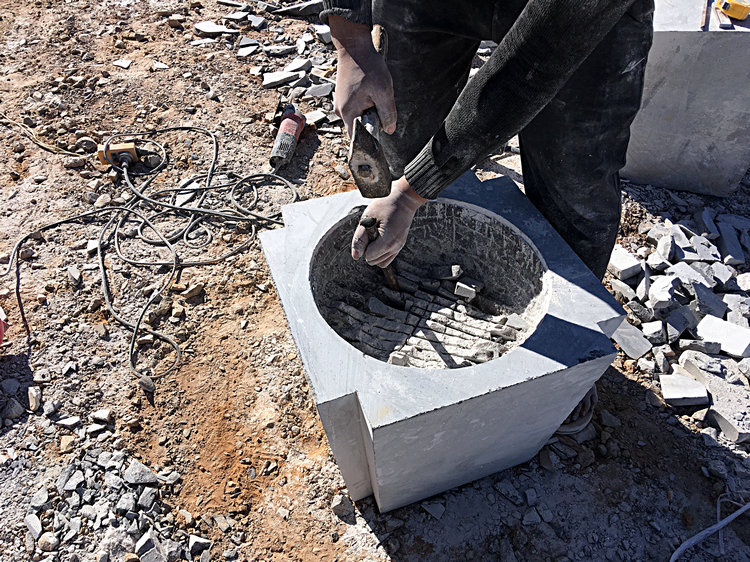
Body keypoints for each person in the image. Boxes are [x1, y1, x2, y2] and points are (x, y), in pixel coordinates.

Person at [322, 0, 654, 432]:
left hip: (578, 18)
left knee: (575, 184)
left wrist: (408, 195)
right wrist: (350, 41)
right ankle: (413, 270)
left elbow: (528, 68)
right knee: (403, 139)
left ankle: (561, 367)